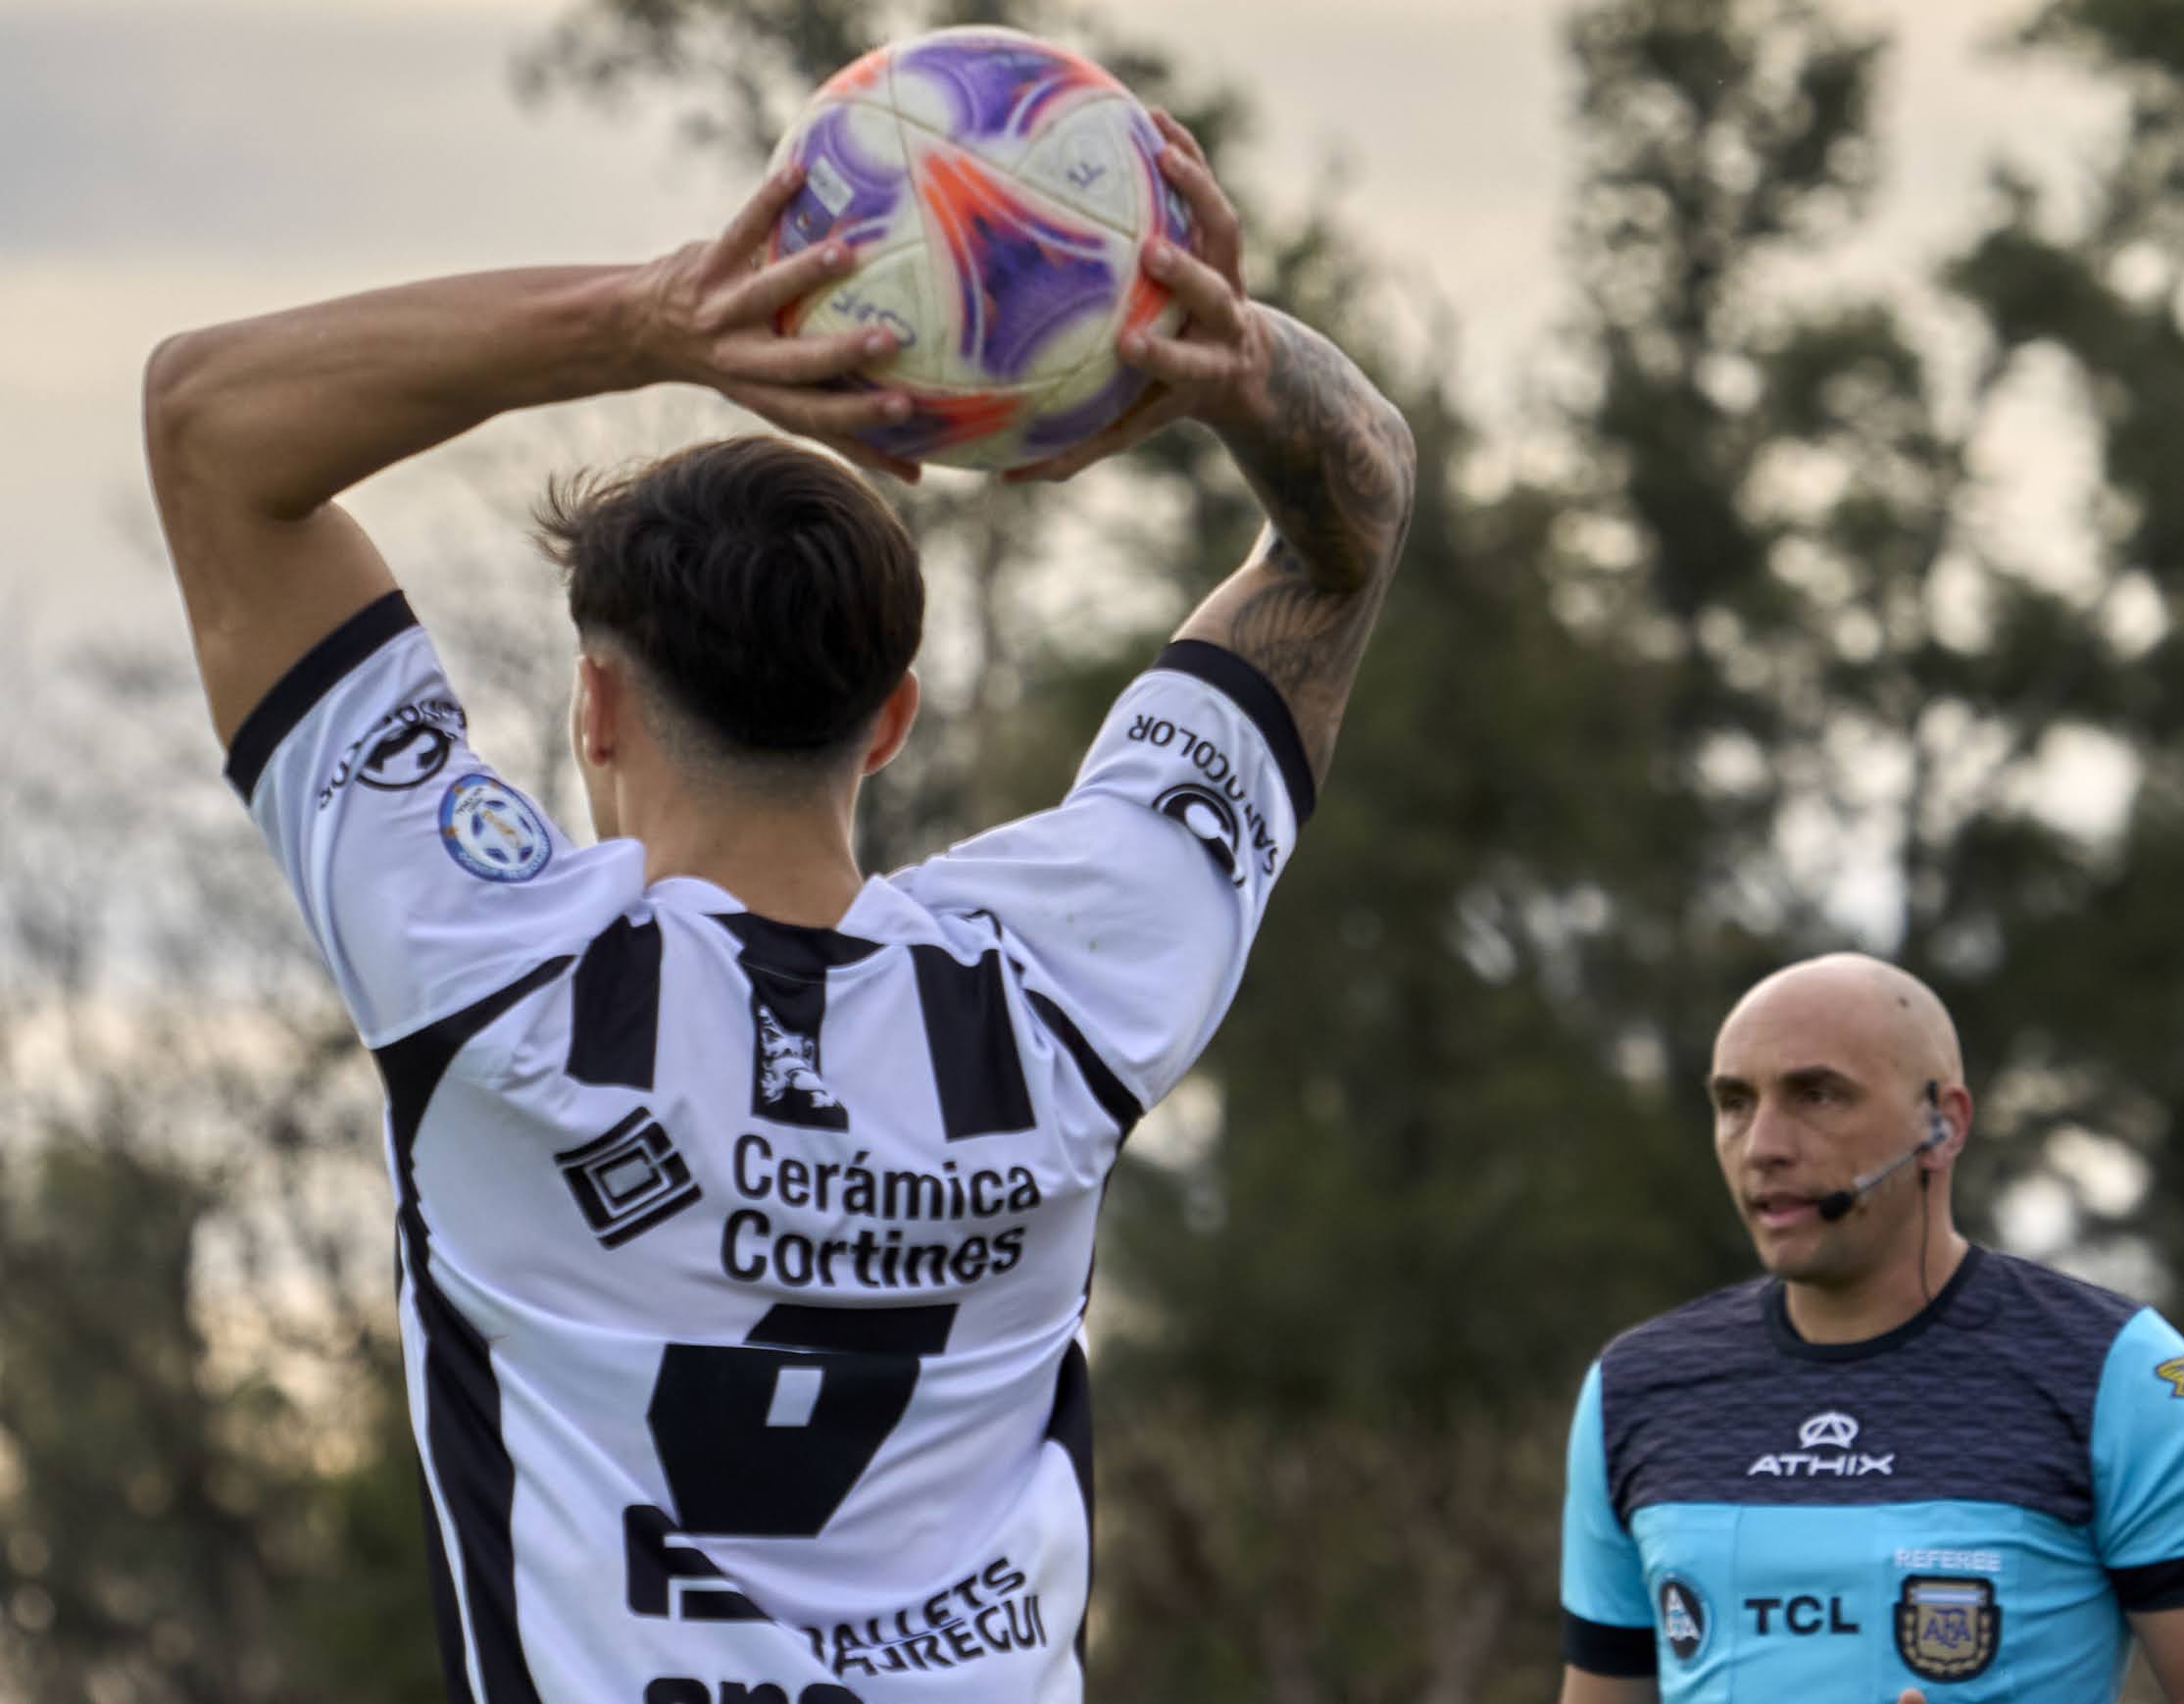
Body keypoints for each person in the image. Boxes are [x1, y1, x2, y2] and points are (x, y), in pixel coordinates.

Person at [146, 120, 1411, 1702]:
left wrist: (654, 318)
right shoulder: (1060, 991)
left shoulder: (495, 990)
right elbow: (1349, 524)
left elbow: (206, 422)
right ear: (889, 723)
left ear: (596, 706)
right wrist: (1217, 353)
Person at [1559, 955, 2184, 1704]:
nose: (1762, 1146)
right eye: (1734, 1102)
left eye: (1815, 1095)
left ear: (1942, 1125)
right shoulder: (1635, 1388)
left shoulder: (2119, 1373)